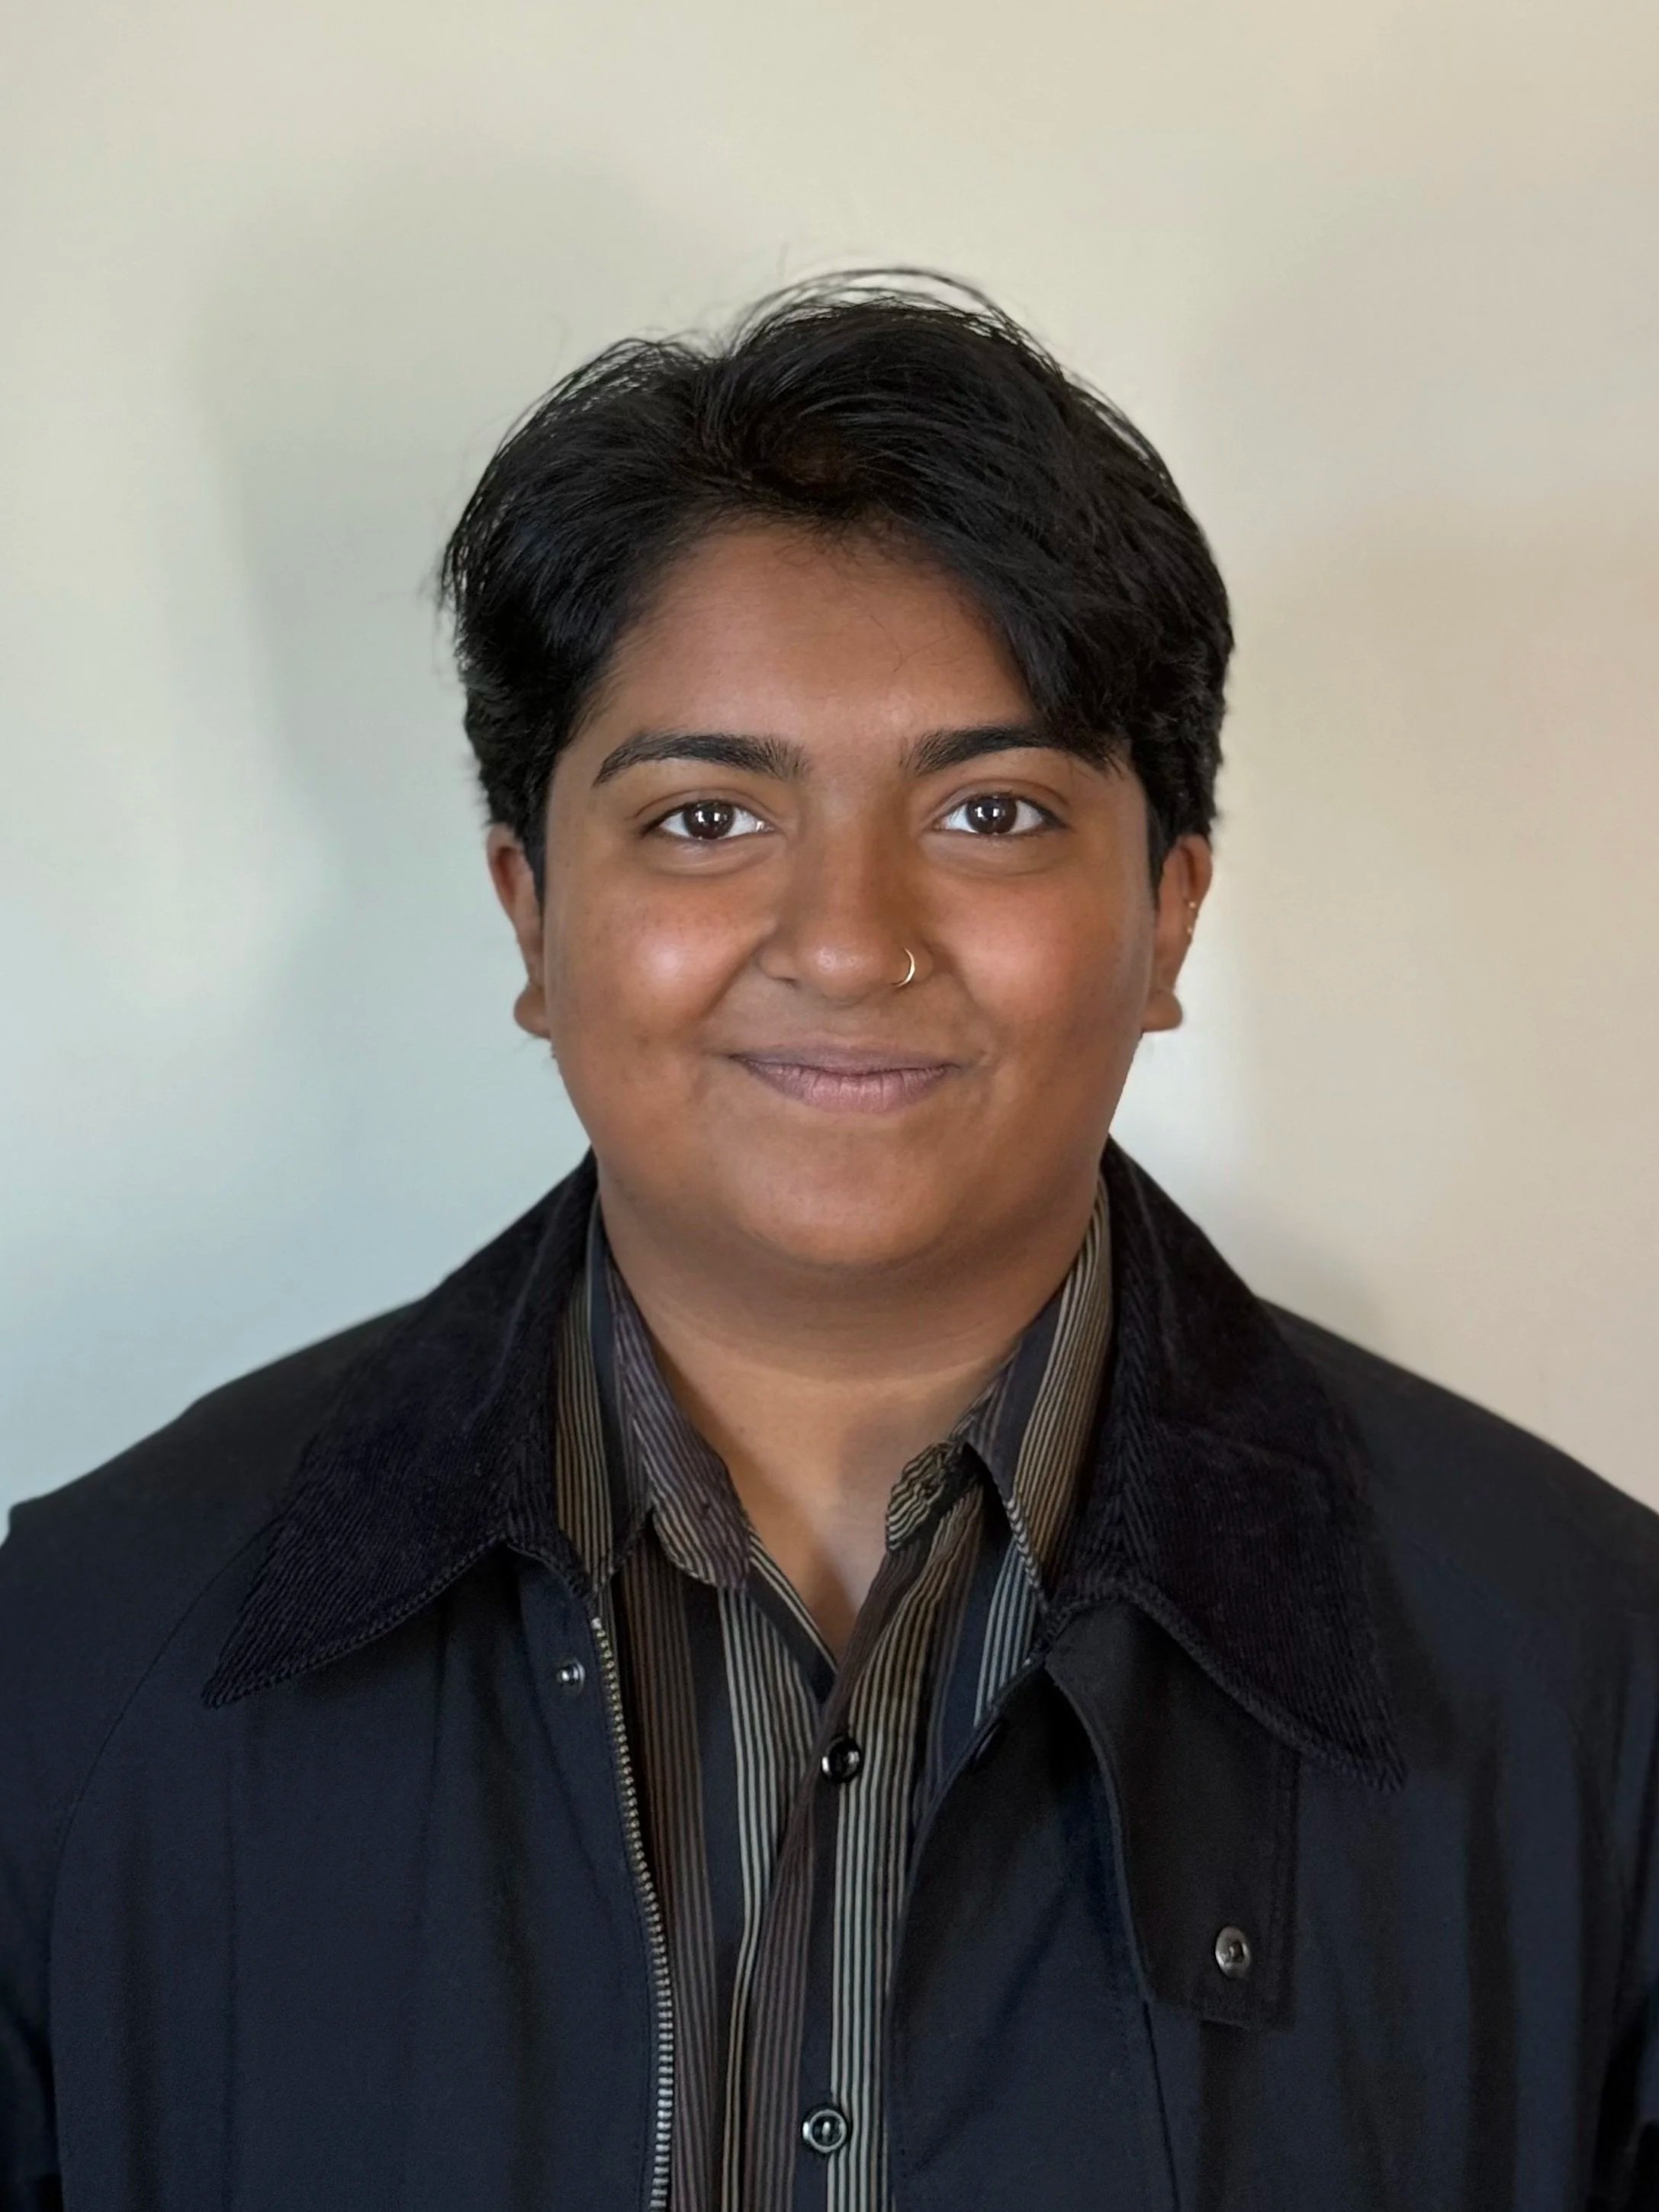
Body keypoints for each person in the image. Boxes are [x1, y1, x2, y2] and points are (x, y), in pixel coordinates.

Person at [2, 270, 1655, 2212]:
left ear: (1168, 913)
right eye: (705, 819)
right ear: (531, 912)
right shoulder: (81, 1661)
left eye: (991, 811)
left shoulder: (1589, 1687)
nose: (851, 941)